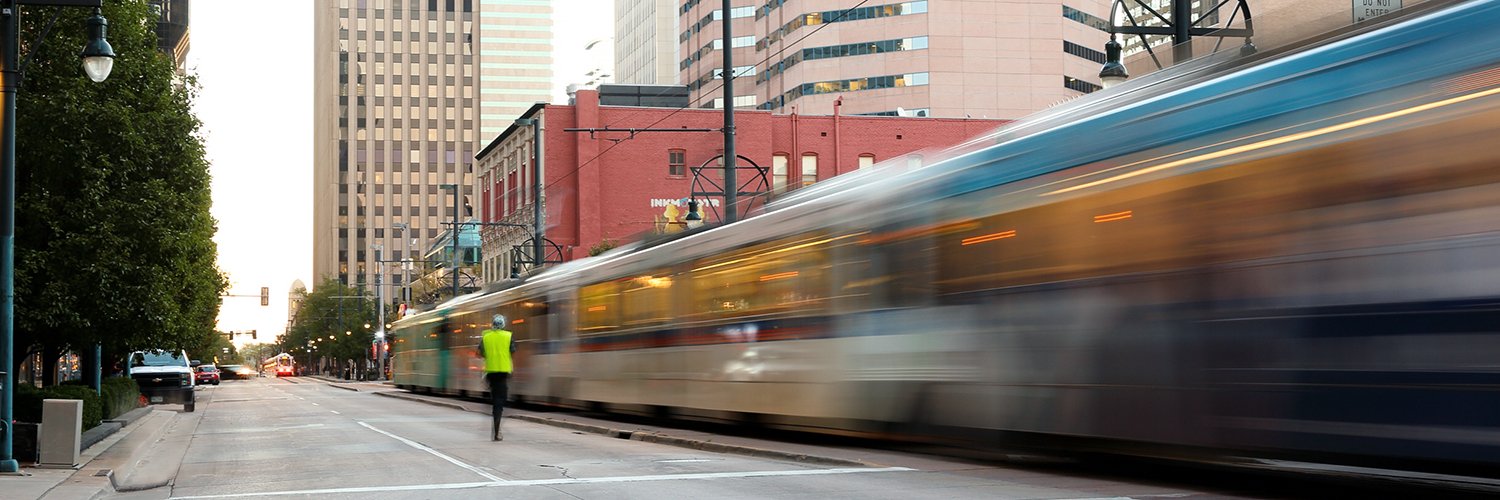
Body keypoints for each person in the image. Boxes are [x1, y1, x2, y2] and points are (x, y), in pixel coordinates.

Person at [477, 314, 516, 441]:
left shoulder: (486, 337)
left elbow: (480, 353)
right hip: (503, 373)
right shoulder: (508, 336)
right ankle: (496, 431)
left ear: (492, 324)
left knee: (495, 400)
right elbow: (513, 351)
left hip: (491, 373)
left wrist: (490, 356)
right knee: (500, 401)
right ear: (503, 324)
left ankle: (496, 429)